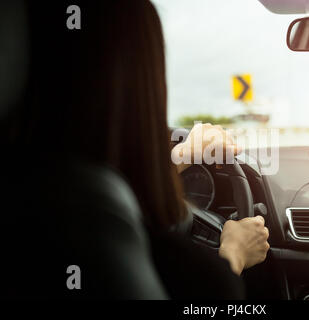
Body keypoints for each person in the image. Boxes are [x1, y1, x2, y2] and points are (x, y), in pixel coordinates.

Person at [2, 0, 269, 299]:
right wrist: (233, 255)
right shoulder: (96, 224)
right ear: (139, 89)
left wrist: (179, 157)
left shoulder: (25, 195)